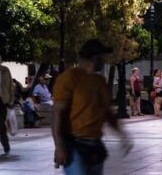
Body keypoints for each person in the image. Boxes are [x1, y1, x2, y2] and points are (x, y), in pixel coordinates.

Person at [51, 40, 131, 174]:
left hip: (95, 146)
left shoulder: (99, 82)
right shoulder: (69, 78)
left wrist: (122, 135)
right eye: (103, 57)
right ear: (95, 57)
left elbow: (107, 113)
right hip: (74, 145)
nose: (105, 60)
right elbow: (56, 115)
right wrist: (59, 147)